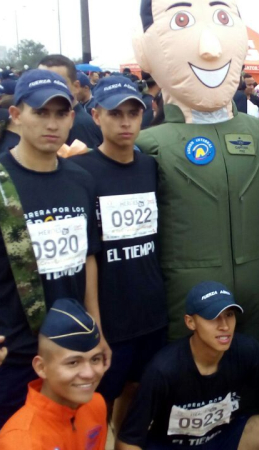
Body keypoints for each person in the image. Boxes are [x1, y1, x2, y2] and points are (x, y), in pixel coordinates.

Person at [0, 69, 107, 448]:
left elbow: (87, 256)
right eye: (41, 112)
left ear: (72, 117)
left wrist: (96, 328)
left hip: (71, 353)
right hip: (10, 357)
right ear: (15, 115)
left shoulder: (80, 180)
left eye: (61, 113)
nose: (52, 123)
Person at [132, 0, 259, 356]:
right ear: (143, 48)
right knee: (191, 386)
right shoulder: (148, 147)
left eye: (222, 18)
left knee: (256, 377)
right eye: (182, 19)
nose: (210, 47)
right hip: (187, 299)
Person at [70, 76, 167, 431]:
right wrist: (95, 321)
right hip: (109, 317)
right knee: (95, 404)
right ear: (96, 116)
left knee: (138, 394)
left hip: (151, 312)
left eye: (133, 113)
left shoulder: (150, 168)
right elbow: (87, 253)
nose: (125, 122)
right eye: (115, 114)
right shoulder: (80, 171)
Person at [116, 281, 259, 450]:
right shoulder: (164, 369)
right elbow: (128, 440)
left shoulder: (245, 349)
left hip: (225, 438)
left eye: (229, 315)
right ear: (190, 322)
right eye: (213, 317)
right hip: (173, 446)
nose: (225, 326)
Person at [0, 299, 108, 450]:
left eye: (95, 359)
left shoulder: (96, 405)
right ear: (41, 367)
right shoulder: (19, 443)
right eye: (73, 362)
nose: (89, 373)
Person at [38, 54, 103, 149]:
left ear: (76, 87)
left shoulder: (80, 126)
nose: (49, 89)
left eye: (58, 83)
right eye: (42, 83)